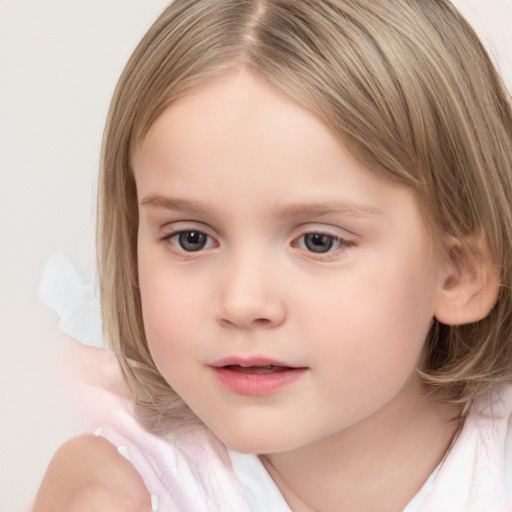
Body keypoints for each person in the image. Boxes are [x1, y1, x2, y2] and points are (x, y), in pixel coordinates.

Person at [33, 0, 512, 510]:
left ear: (459, 273)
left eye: (318, 241)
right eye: (191, 238)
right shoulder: (125, 487)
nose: (241, 302)